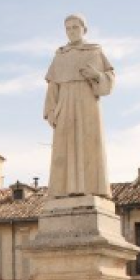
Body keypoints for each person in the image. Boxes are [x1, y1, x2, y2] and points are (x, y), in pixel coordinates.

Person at [44, 13, 116, 198]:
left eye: (75, 27)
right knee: (63, 149)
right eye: (68, 28)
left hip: (87, 103)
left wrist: (97, 75)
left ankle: (94, 190)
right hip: (65, 104)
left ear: (84, 29)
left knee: (90, 145)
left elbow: (110, 78)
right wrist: (50, 110)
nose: (72, 32)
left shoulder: (94, 51)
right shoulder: (60, 55)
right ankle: (61, 191)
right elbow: (53, 85)